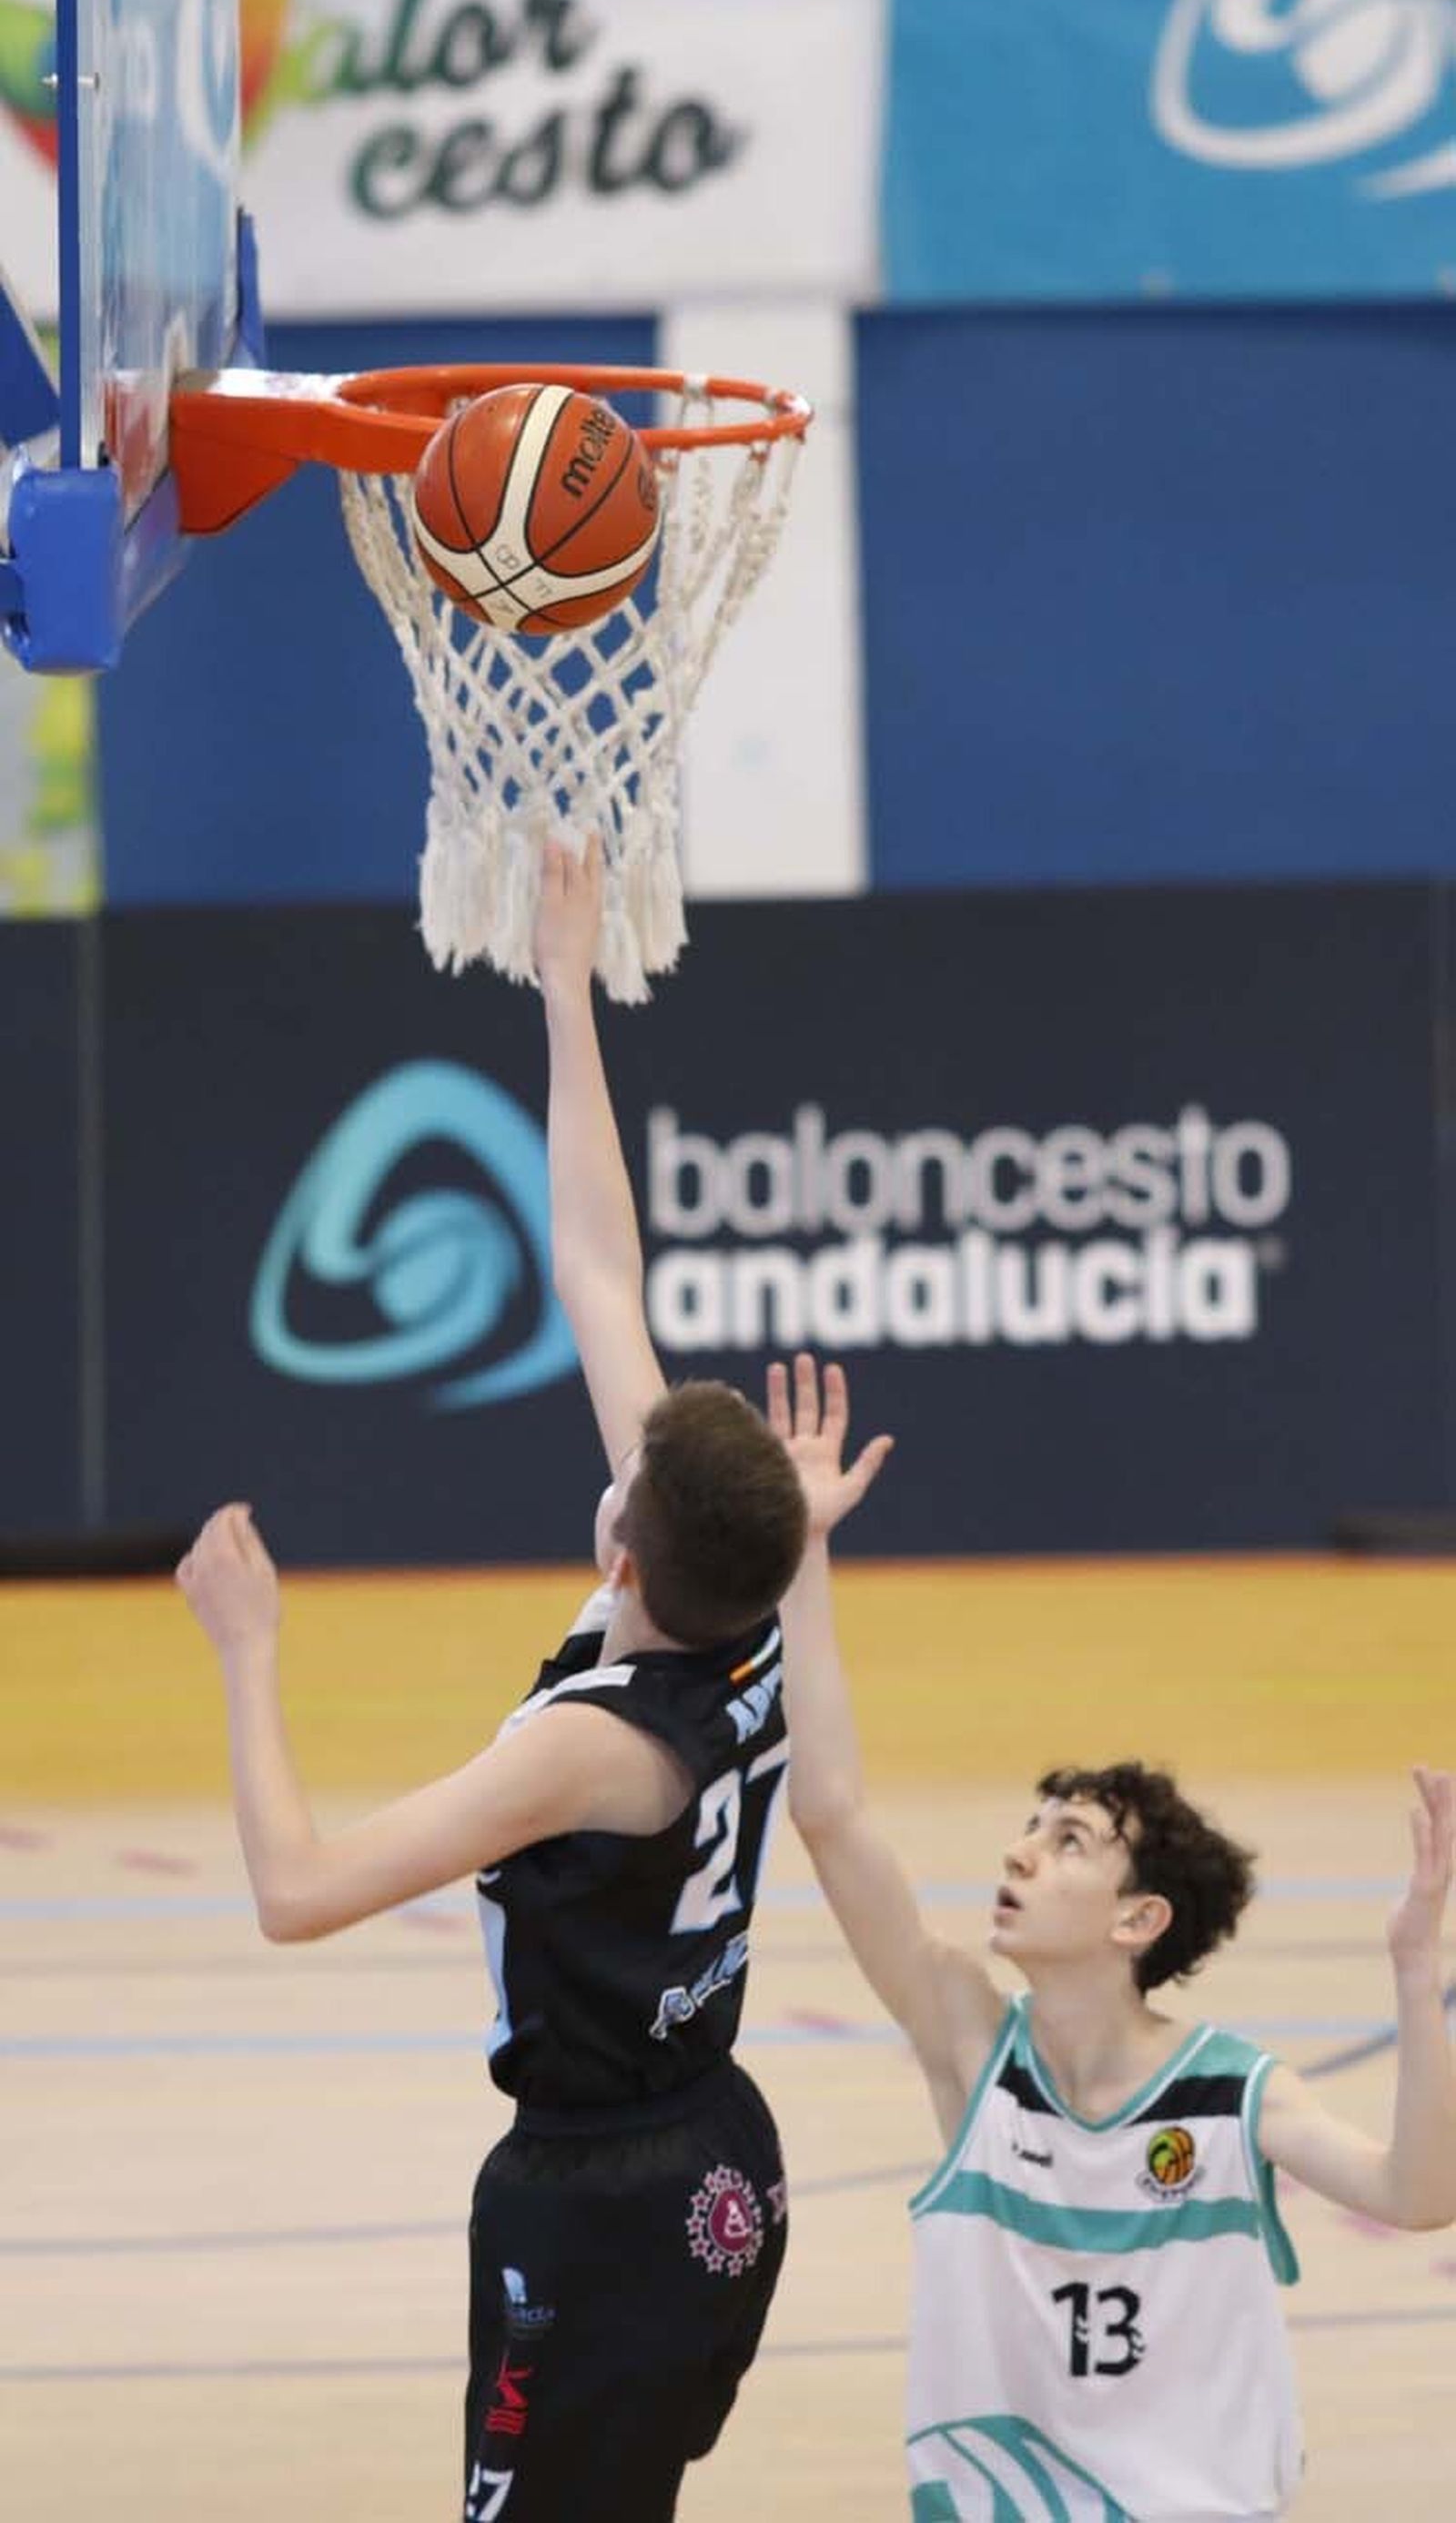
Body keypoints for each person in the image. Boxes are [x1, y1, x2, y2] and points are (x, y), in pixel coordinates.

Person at [176, 839, 805, 2523]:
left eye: (623, 1467)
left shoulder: (591, 1756)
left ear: (621, 1550)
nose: (616, 1436)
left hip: (601, 2205)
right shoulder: (746, 1602)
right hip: (724, 2155)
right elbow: (600, 1266)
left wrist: (249, 1655)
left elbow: (298, 1894)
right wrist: (564, 987)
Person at [767, 1351, 1456, 2523]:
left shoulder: (1231, 2095)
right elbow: (829, 1812)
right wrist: (803, 1556)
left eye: (1071, 1840)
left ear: (1140, 1920)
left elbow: (1419, 2191)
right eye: (1029, 1830)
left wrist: (1417, 1974)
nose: (1022, 1854)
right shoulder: (971, 2041)